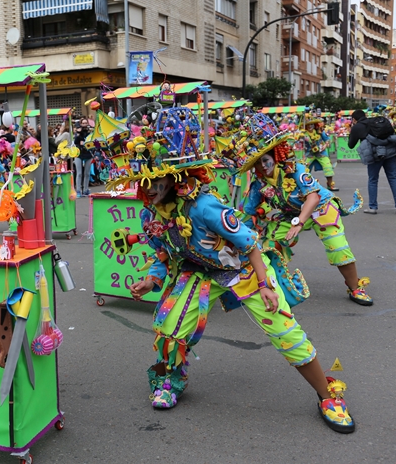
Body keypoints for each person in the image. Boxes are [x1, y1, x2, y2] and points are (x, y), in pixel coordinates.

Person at [108, 105, 355, 434]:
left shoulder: (205, 207)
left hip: (244, 270)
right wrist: (150, 280)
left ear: (176, 176)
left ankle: (327, 397)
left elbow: (250, 243)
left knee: (286, 334)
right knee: (170, 326)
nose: (150, 187)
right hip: (197, 272)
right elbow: (163, 253)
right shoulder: (151, 214)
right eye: (144, 181)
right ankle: (172, 379)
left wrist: (266, 284)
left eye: (157, 179)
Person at [228, 114, 372, 306]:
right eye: (257, 164)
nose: (263, 166)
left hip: (321, 208)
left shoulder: (295, 170)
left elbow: (313, 196)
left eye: (265, 160)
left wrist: (299, 223)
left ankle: (355, 288)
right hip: (291, 214)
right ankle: (273, 285)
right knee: (267, 243)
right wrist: (235, 238)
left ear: (275, 155)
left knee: (337, 248)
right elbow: (248, 213)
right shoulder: (258, 185)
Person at [347, 109, 396, 214]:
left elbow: (351, 145)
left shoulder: (357, 127)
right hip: (389, 152)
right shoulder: (376, 122)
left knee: (373, 180)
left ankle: (373, 207)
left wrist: (353, 131)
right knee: (393, 178)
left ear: (354, 119)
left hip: (374, 155)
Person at [301, 119, 338, 191]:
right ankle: (304, 186)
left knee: (328, 167)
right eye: (308, 125)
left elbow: (327, 139)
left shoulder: (320, 132)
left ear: (315, 125)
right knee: (304, 169)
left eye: (311, 124)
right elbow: (299, 143)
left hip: (321, 153)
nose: (310, 126)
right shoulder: (303, 134)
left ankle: (330, 185)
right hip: (309, 154)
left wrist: (325, 146)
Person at [74, 117, 92, 197]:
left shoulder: (90, 132)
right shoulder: (78, 132)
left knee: (87, 173)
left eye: (86, 123)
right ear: (80, 124)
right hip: (79, 154)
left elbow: (92, 141)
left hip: (88, 154)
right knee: (79, 173)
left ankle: (85, 189)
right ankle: (78, 190)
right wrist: (78, 134)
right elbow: (75, 142)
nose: (84, 125)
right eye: (83, 123)